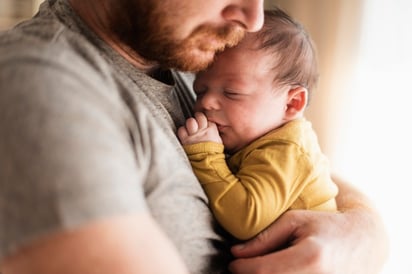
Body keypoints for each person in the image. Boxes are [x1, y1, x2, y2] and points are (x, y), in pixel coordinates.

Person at [0, 0, 388, 274]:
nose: (252, 17)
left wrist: (365, 233)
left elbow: (296, 163)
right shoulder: (41, 85)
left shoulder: (197, 63)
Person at [177, 8, 338, 241]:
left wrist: (205, 157)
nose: (206, 102)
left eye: (232, 93)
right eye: (200, 90)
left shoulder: (289, 150)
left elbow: (246, 219)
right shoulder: (255, 137)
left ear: (292, 104)